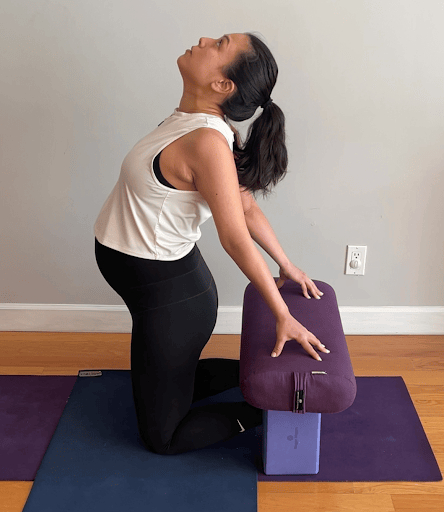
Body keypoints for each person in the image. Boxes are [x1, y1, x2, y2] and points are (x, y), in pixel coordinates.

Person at [94, 32, 330, 456]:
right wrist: (286, 264)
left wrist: (283, 312)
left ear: (223, 85)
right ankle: (259, 377)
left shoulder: (208, 142)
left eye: (219, 44)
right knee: (167, 378)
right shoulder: (196, 124)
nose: (203, 39)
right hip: (163, 293)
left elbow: (236, 234)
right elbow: (248, 207)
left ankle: (271, 407)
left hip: (172, 301)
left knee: (162, 438)